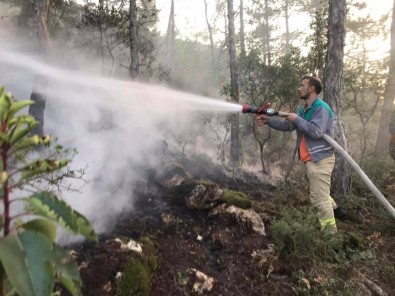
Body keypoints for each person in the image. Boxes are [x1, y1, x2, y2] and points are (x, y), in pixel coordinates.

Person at [257, 75, 340, 234]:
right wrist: (268, 120)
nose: (299, 88)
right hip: (311, 160)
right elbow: (287, 125)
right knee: (321, 192)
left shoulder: (320, 108)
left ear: (312, 88)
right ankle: (338, 212)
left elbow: (316, 131)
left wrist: (297, 119)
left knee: (319, 199)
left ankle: (330, 236)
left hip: (321, 160)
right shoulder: (303, 109)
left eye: (302, 85)